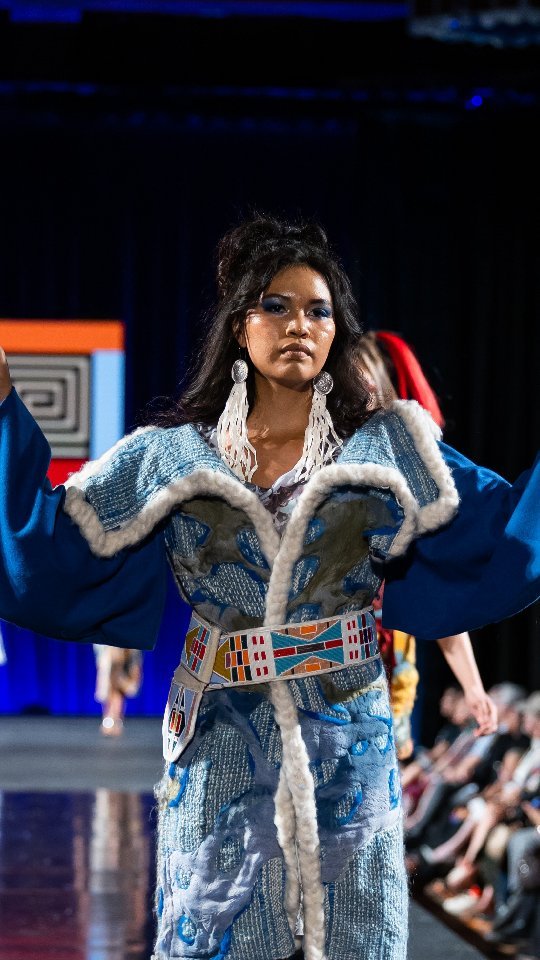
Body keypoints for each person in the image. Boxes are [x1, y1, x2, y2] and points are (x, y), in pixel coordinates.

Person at [0, 214, 538, 960]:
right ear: (239, 326)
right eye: (276, 306)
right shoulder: (169, 457)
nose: (299, 325)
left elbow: (502, 534)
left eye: (318, 310)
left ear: (337, 331)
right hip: (219, 748)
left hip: (348, 751)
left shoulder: (388, 447)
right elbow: (53, 545)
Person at [355, 331, 498, 759]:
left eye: (361, 383)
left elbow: (437, 592)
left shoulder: (409, 478)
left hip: (384, 668)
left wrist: (473, 687)